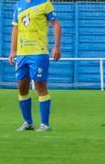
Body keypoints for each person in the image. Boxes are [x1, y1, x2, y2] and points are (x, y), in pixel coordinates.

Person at [8, 0, 62, 132]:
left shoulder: (44, 3)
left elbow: (56, 24)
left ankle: (44, 124)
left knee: (40, 86)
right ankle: (28, 122)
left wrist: (56, 46)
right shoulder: (19, 5)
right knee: (21, 87)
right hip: (22, 54)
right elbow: (15, 28)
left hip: (38, 52)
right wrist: (13, 50)